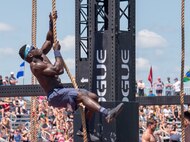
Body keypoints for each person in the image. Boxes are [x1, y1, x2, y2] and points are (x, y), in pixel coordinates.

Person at [18, 11, 123, 139]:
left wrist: (51, 22)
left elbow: (49, 40)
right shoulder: (35, 66)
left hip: (60, 91)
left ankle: (83, 130)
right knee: (81, 95)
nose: (36, 47)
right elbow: (59, 69)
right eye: (33, 47)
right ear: (30, 55)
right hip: (55, 95)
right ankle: (107, 113)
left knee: (94, 97)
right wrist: (57, 52)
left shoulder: (40, 55)